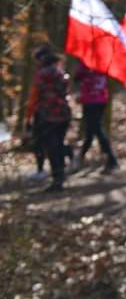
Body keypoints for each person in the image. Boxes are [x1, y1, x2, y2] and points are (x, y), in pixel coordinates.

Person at [26, 45, 72, 192]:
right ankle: (62, 170)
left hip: (48, 115)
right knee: (58, 144)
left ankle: (58, 178)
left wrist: (28, 117)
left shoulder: (42, 74)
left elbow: (35, 96)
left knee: (51, 147)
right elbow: (66, 90)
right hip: (63, 113)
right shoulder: (61, 71)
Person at [74, 61, 119, 173]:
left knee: (96, 128)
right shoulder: (101, 61)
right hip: (98, 100)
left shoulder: (89, 62)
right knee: (91, 129)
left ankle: (111, 160)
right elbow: (77, 78)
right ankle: (80, 157)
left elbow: (77, 77)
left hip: (93, 101)